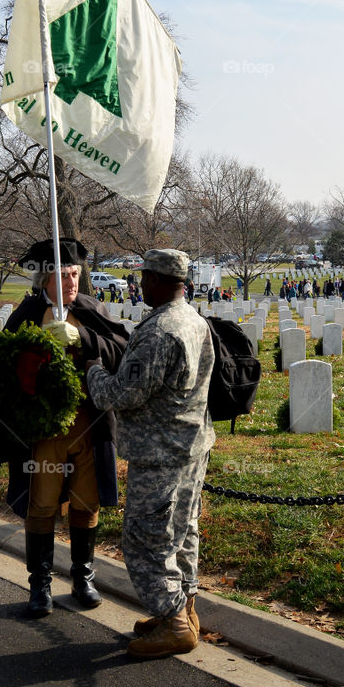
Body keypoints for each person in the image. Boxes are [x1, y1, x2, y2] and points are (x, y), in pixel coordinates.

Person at [0, 237, 129, 619]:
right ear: (45, 279)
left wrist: (84, 338)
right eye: (63, 275)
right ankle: (39, 582)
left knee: (86, 502)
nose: (73, 282)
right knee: (41, 504)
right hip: (43, 433)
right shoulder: (25, 315)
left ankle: (82, 576)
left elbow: (122, 348)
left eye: (76, 274)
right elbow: (3, 370)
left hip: (88, 427)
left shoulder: (92, 309)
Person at [86, 248, 215, 660]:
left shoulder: (160, 330)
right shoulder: (193, 320)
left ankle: (174, 623)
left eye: (144, 278)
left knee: (146, 539)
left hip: (160, 454)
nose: (140, 284)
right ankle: (183, 610)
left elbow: (122, 394)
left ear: (158, 281)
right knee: (182, 531)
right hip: (191, 445)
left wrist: (91, 367)